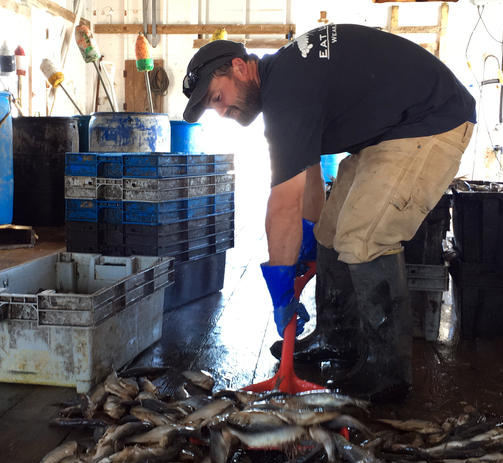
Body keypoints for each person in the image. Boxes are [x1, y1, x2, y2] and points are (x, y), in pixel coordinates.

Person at [182, 24, 475, 401]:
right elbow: (309, 172)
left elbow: (283, 201)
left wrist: (281, 285)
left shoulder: (286, 91)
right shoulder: (286, 80)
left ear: (239, 67)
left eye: (218, 97)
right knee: (331, 231)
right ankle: (337, 340)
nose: (222, 111)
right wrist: (308, 234)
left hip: (431, 122)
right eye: (213, 107)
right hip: (389, 133)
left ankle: (388, 372)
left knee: (363, 237)